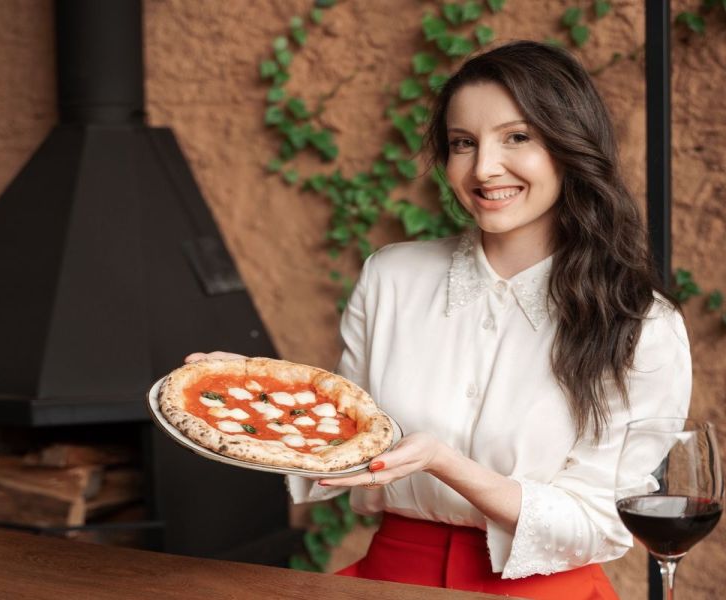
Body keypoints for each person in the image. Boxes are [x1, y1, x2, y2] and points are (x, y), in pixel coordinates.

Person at [187, 40, 691, 600]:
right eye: (463, 144)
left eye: (517, 137)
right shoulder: (391, 277)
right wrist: (257, 393)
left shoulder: (641, 323)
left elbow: (600, 519)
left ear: (571, 146)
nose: (484, 168)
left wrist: (445, 463)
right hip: (387, 579)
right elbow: (351, 442)